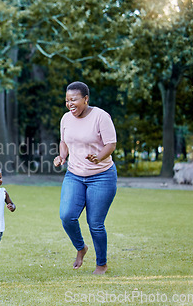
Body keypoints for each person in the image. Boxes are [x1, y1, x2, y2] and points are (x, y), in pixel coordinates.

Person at [53, 81, 117, 275]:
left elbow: (111, 144)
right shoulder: (66, 119)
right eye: (67, 100)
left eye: (74, 100)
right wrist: (62, 156)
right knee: (67, 216)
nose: (69, 104)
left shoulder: (100, 117)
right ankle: (81, 248)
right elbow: (64, 141)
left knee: (95, 223)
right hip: (74, 175)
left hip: (102, 176)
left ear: (86, 99)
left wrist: (98, 157)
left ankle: (101, 264)